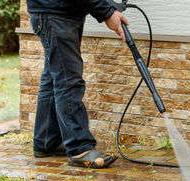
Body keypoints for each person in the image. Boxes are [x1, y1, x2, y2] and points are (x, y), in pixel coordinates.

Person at [26, 0, 129, 168]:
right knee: (68, 80)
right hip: (56, 15)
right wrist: (107, 12)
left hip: (58, 13)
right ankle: (79, 148)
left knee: (54, 77)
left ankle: (47, 141)